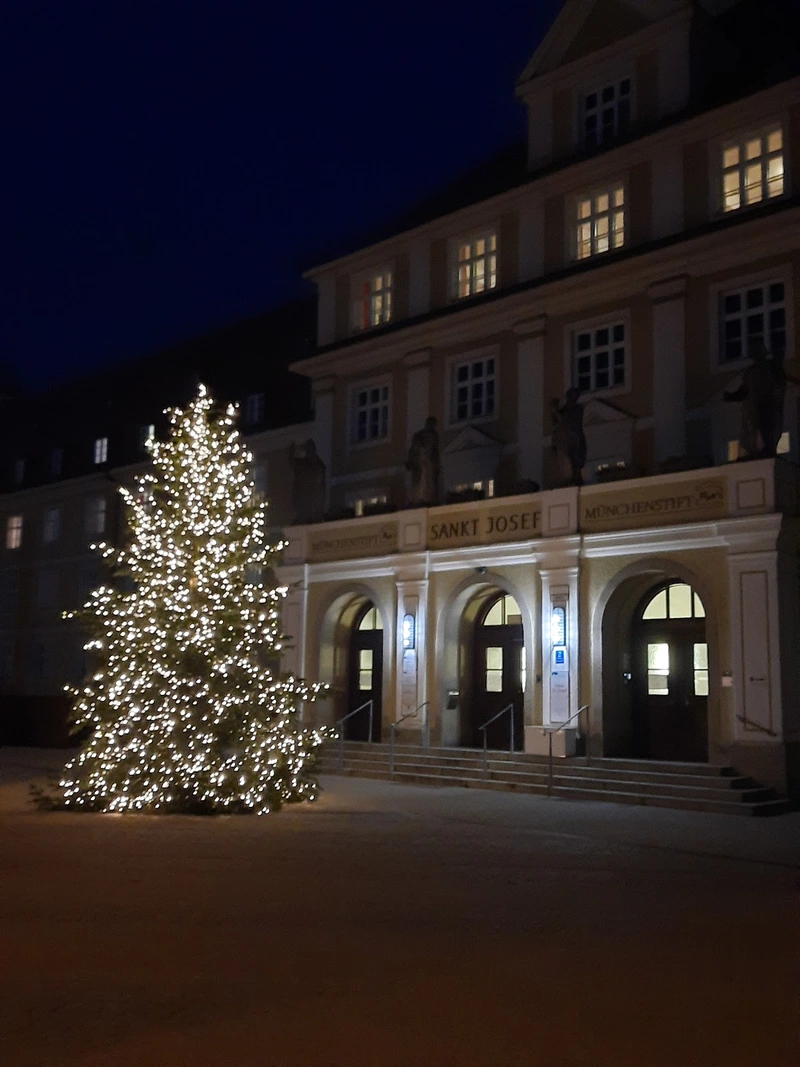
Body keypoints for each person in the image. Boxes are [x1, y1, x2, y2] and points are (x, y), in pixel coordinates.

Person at [724, 340, 786, 458]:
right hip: (753, 409)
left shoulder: (770, 368)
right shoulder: (751, 372)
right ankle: (754, 451)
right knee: (751, 431)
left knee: (766, 429)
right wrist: (731, 396)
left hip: (767, 408)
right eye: (754, 352)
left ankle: (767, 450)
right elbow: (744, 391)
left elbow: (778, 384)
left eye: (757, 351)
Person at [552, 388, 586, 485]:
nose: (572, 398)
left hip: (575, 437)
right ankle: (573, 476)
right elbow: (557, 422)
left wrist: (556, 412)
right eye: (571, 396)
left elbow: (566, 421)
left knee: (576, 458)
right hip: (567, 439)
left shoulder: (577, 408)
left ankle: (576, 477)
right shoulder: (565, 409)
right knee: (568, 458)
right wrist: (554, 410)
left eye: (575, 396)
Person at [289, 439, 326, 523]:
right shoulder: (301, 464)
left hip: (310, 497)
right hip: (302, 495)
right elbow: (292, 462)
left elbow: (319, 478)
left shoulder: (317, 464)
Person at [406, 416, 440, 505]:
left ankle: (425, 498)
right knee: (421, 482)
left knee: (427, 482)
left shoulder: (431, 435)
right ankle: (420, 498)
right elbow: (414, 450)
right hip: (422, 463)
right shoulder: (420, 436)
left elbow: (434, 450)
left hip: (427, 463)